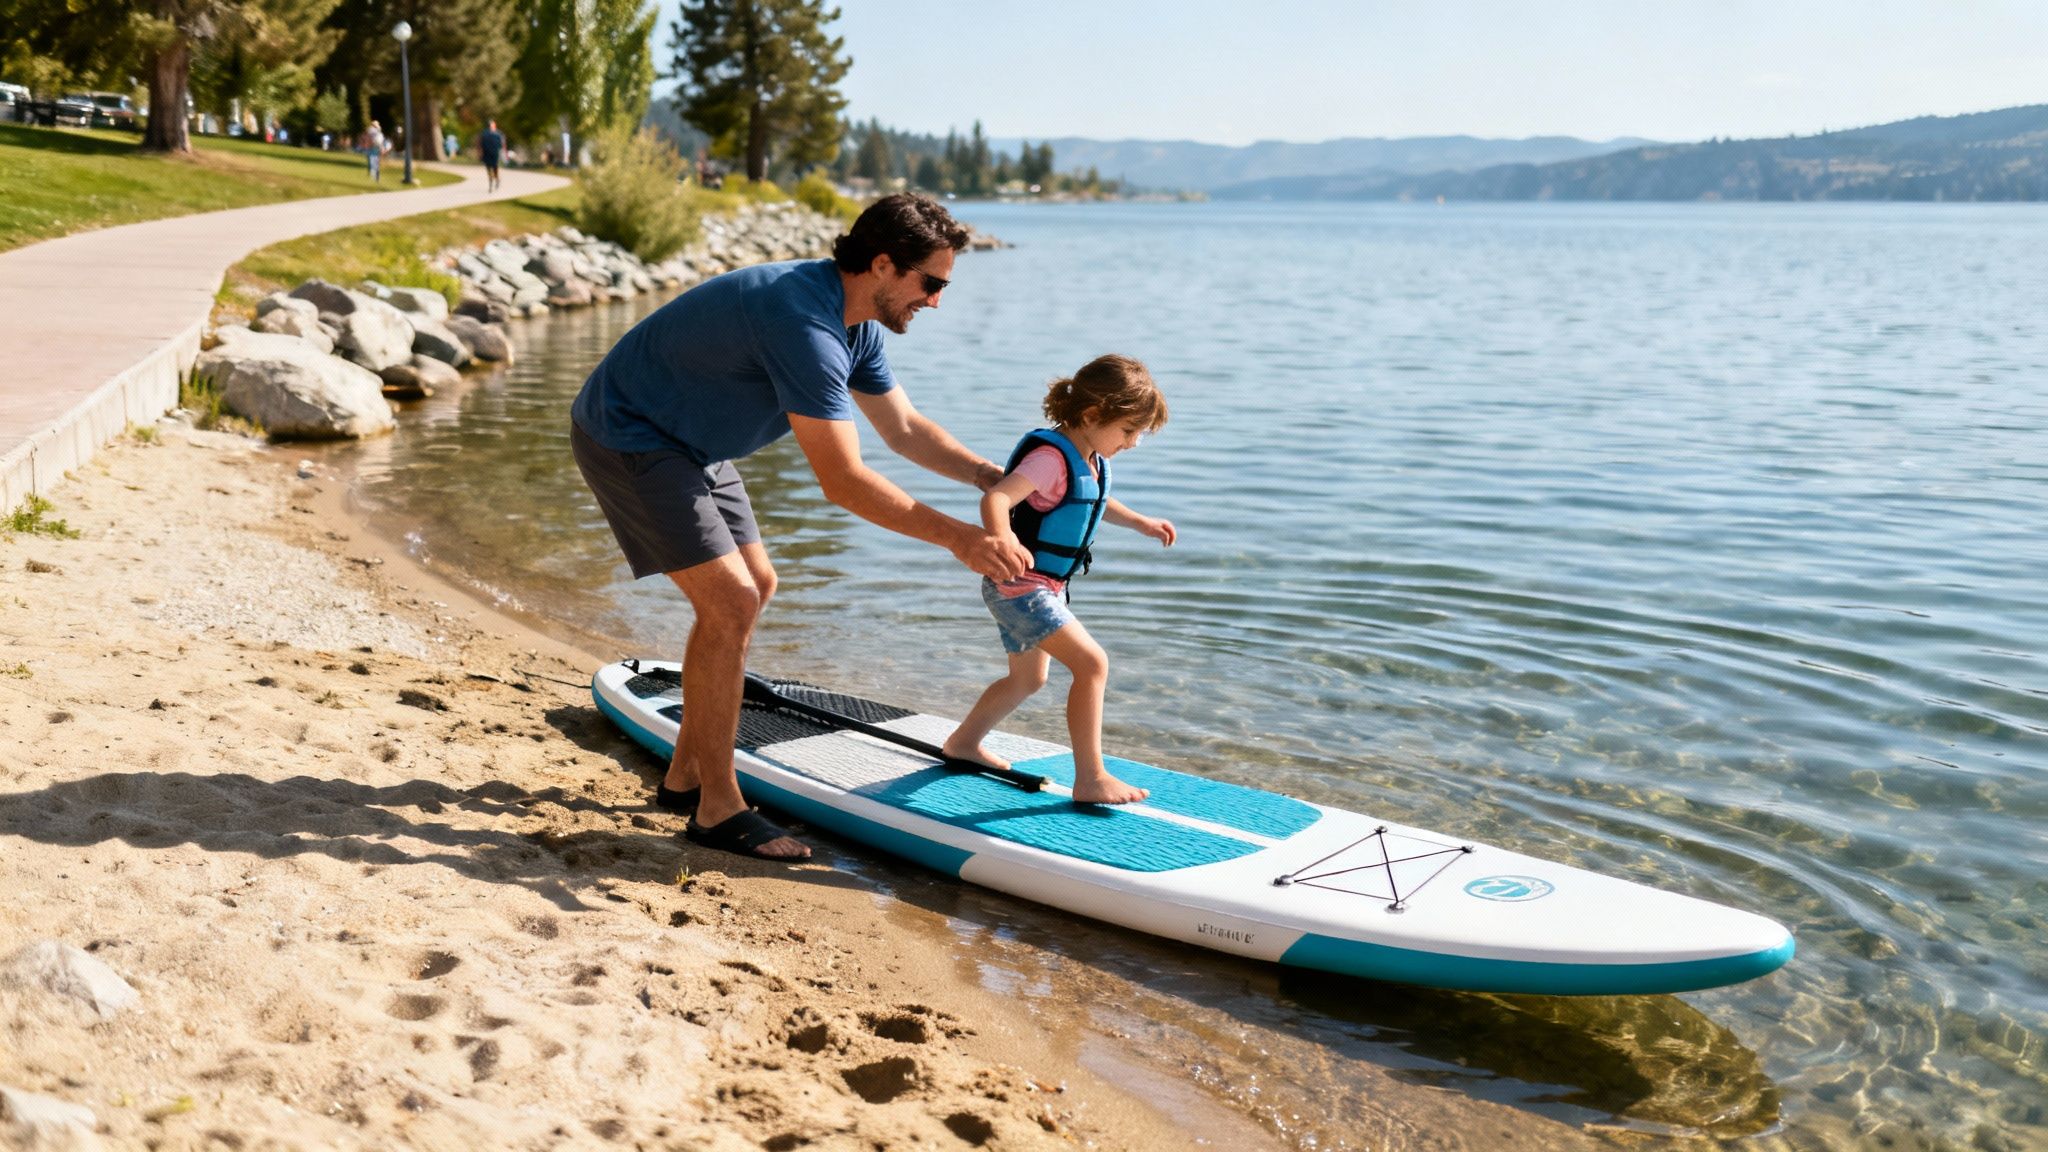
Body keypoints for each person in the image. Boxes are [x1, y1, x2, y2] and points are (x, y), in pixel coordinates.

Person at [570, 194, 1032, 860]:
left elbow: (904, 430)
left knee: (754, 585)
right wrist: (961, 538)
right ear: (882, 265)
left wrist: (993, 479)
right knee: (727, 600)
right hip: (629, 435)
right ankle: (717, 810)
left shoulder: (857, 323)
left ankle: (686, 773)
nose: (935, 302)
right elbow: (842, 482)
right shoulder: (804, 324)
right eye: (931, 284)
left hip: (692, 444)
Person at [942, 355, 1175, 804]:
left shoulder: (1089, 459)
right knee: (1092, 665)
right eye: (1128, 431)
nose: (1134, 442)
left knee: (1027, 680)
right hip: (1020, 587)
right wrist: (1003, 538)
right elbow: (997, 497)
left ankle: (963, 744)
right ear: (1092, 415)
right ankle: (1091, 778)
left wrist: (1142, 522)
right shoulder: (1051, 459)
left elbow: (1096, 503)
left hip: (1041, 588)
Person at [478, 119, 505, 193]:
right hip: (487, 154)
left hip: (495, 154)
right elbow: (480, 144)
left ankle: (497, 179)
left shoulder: (498, 134)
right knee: (488, 169)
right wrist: (480, 153)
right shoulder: (484, 134)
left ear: (495, 125)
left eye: (492, 125)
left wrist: (503, 153)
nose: (491, 126)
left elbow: (502, 144)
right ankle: (491, 184)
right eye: (490, 125)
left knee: (495, 168)